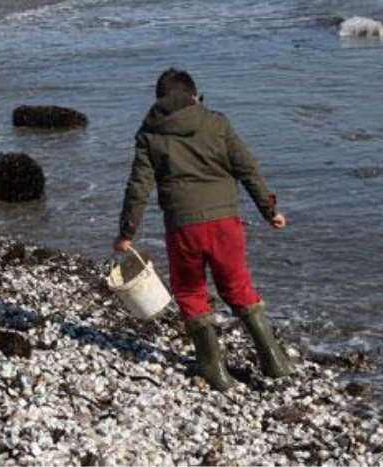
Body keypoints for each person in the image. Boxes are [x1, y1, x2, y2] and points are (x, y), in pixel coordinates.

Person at [114, 68, 291, 391]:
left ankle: (214, 370)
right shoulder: (217, 123)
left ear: (159, 100)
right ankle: (275, 361)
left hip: (183, 227)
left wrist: (127, 232)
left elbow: (138, 187)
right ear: (195, 96)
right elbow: (248, 170)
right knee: (238, 287)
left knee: (191, 292)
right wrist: (270, 210)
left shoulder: (150, 134)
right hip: (226, 223)